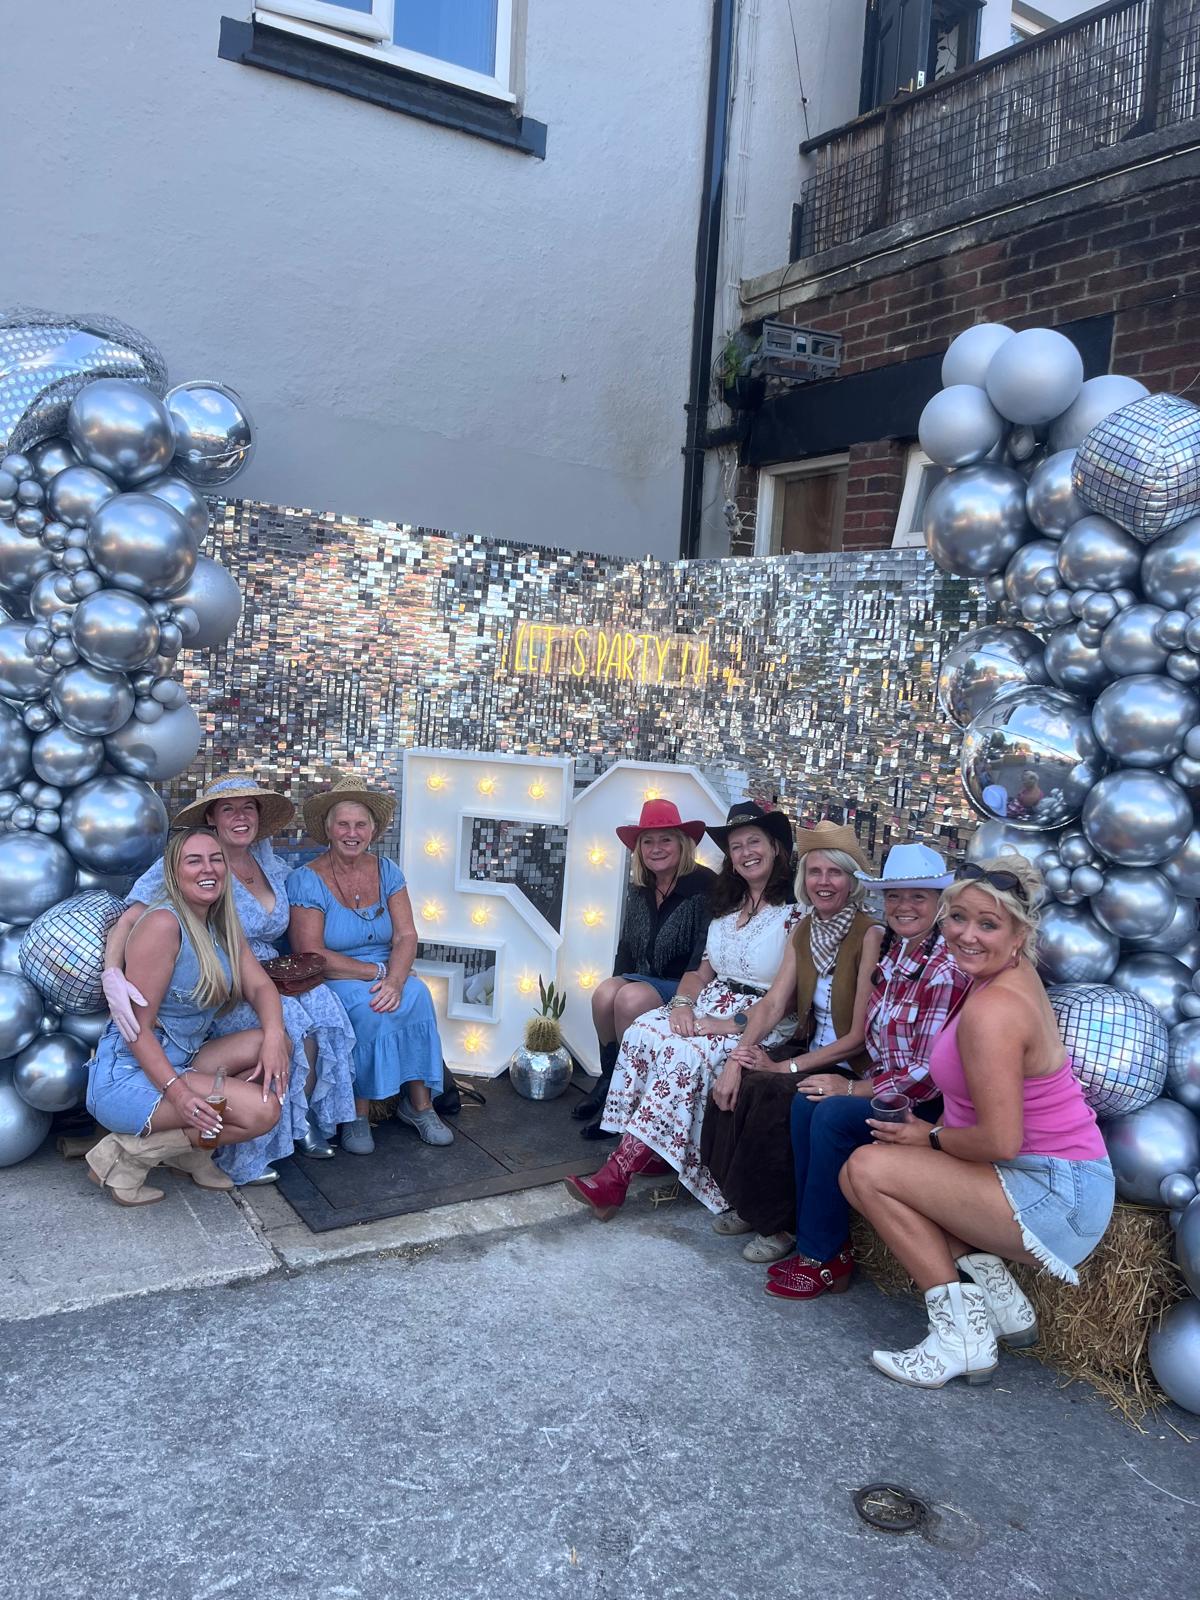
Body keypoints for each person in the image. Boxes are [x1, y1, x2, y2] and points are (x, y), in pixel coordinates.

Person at [843, 852, 1115, 1389]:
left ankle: (961, 1340)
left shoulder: (994, 1012)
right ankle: (995, 1295)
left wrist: (930, 1136)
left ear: (1019, 935)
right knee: (872, 1171)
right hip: (1060, 1177)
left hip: (1053, 1194)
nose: (967, 935)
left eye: (988, 924)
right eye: (958, 918)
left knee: (867, 1169)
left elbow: (1000, 1140)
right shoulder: (1009, 974)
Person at [102, 776, 358, 1186]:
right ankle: (253, 1144)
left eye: (249, 808)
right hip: (212, 977)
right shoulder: (191, 866)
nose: (241, 817)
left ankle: (303, 1115)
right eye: (228, 809)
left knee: (321, 1008)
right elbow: (131, 915)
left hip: (258, 966)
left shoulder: (265, 861)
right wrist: (111, 971)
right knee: (289, 1019)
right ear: (211, 818)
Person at [563, 801, 801, 1220]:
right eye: (737, 846)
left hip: (759, 1018)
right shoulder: (730, 906)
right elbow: (700, 970)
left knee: (684, 1052)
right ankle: (651, 1144)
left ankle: (615, 1176)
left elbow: (782, 1002)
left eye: (755, 842)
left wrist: (721, 1025)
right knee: (644, 1031)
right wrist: (683, 1006)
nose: (746, 852)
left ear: (777, 848)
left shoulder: (795, 913)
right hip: (711, 1001)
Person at [755, 845, 970, 1301]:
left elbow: (928, 1073)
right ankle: (816, 1238)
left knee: (832, 1114)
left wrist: (853, 1087)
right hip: (887, 1083)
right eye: (895, 897)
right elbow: (875, 1041)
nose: (904, 907)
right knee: (805, 1102)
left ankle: (823, 1256)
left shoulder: (943, 968)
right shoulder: (896, 955)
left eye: (918, 897)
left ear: (939, 904)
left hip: (923, 1102)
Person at [700, 822, 883, 1263]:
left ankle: (779, 1224)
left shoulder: (867, 933)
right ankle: (746, 1200)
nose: (824, 882)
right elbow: (773, 1002)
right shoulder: (804, 930)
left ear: (852, 881)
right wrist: (739, 1056)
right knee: (734, 1080)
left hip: (847, 1061)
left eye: (835, 873)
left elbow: (857, 1036)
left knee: (771, 1095)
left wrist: (785, 1068)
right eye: (815, 872)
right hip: (807, 1047)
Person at [85, 828, 288, 1207]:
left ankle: (189, 1152)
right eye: (193, 861)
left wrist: (275, 1035)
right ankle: (125, 1156)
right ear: (173, 874)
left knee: (270, 1043)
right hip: (130, 1076)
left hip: (184, 1058)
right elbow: (137, 1032)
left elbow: (261, 987)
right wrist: (178, 1095)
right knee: (262, 1112)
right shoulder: (164, 925)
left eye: (215, 859)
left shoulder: (219, 923)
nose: (207, 869)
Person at [287, 774, 449, 1155]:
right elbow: (311, 954)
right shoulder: (306, 880)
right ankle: (356, 1113)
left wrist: (395, 978)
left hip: (386, 968)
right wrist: (378, 976)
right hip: (334, 973)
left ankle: (419, 1105)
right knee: (368, 1008)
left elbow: (407, 936)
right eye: (343, 824)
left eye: (360, 825)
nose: (352, 832)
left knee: (418, 995)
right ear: (328, 829)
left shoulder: (387, 870)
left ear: (373, 830)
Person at [575, 798, 716, 1141]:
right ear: (639, 850)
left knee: (629, 998)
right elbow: (627, 946)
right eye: (648, 842)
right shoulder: (641, 886)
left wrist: (686, 994)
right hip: (643, 977)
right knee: (606, 992)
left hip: (682, 985)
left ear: (682, 844)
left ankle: (629, 1104)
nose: (656, 849)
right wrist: (615, 978)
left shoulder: (705, 884)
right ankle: (609, 1081)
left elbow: (703, 952)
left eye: (665, 839)